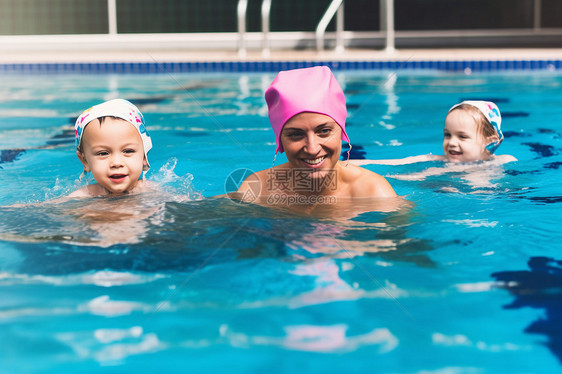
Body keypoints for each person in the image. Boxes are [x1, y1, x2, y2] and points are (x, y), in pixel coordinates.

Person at [233, 66, 397, 211]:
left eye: (324, 131)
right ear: (280, 141)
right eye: (296, 134)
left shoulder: (373, 193)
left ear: (341, 131)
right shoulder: (257, 189)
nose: (312, 149)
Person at [352, 100, 517, 166]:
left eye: (462, 136)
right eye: (447, 134)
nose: (451, 142)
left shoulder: (504, 162)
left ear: (490, 140)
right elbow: (391, 163)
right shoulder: (434, 162)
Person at [69, 99, 154, 197]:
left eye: (128, 151)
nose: (116, 163)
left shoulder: (152, 193)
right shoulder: (81, 196)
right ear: (85, 161)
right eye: (103, 153)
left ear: (144, 156)